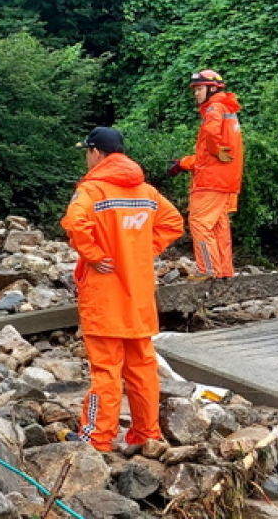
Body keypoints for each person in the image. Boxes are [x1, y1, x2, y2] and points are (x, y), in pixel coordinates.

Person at [61, 127, 184, 453]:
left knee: (106, 370)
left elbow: (74, 224)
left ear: (96, 153)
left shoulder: (91, 191)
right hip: (139, 298)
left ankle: (97, 439)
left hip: (104, 296)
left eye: (86, 152)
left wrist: (96, 255)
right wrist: (143, 249)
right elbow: (174, 223)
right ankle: (147, 435)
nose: (86, 158)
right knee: (142, 367)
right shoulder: (146, 191)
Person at [167, 70, 244, 279]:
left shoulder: (214, 108)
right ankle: (223, 271)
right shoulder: (229, 110)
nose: (196, 94)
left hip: (210, 181)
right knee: (219, 226)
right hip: (226, 181)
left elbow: (211, 138)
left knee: (200, 223)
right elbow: (207, 156)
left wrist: (213, 147)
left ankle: (207, 270)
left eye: (199, 89)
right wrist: (183, 163)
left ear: (212, 89)